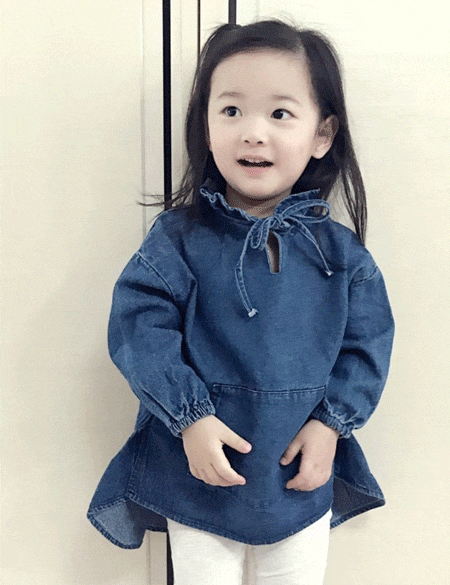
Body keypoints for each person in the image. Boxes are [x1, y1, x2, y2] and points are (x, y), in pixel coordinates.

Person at [87, 18, 395, 585]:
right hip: (198, 470)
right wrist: (189, 418)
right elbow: (140, 329)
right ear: (205, 127)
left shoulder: (342, 255)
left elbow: (366, 345)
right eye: (231, 110)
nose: (253, 133)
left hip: (297, 472)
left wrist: (331, 424)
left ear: (322, 134)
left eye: (280, 113)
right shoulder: (177, 239)